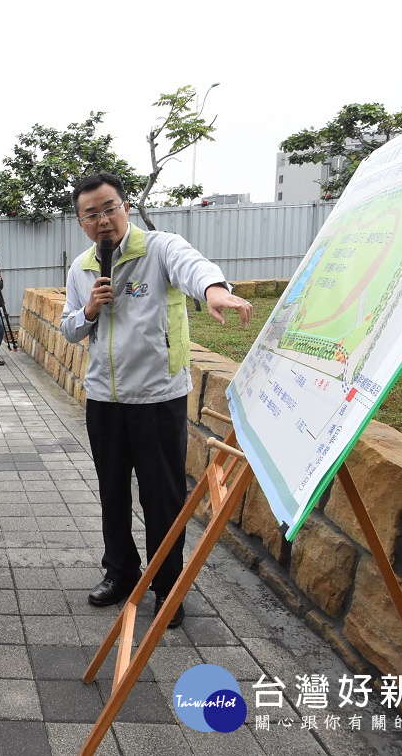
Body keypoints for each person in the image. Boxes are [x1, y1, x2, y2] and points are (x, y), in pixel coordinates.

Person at [59, 172, 253, 627]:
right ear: (81, 222)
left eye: (109, 208)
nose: (102, 220)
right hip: (105, 399)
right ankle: (120, 573)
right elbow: (69, 328)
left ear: (125, 207)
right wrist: (88, 309)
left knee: (162, 498)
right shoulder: (83, 267)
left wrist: (215, 291)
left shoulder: (161, 248)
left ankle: (167, 587)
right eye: (91, 214)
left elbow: (194, 268)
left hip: (158, 400)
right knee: (111, 493)